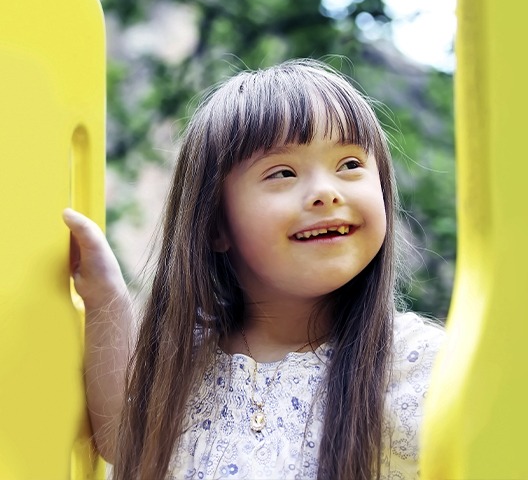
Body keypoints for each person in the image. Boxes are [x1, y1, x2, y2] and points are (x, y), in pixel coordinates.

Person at [63, 59, 445, 480]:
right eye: (282, 172)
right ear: (215, 224)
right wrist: (104, 297)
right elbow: (123, 440)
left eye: (350, 164)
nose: (325, 192)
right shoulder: (187, 362)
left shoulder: (423, 364)